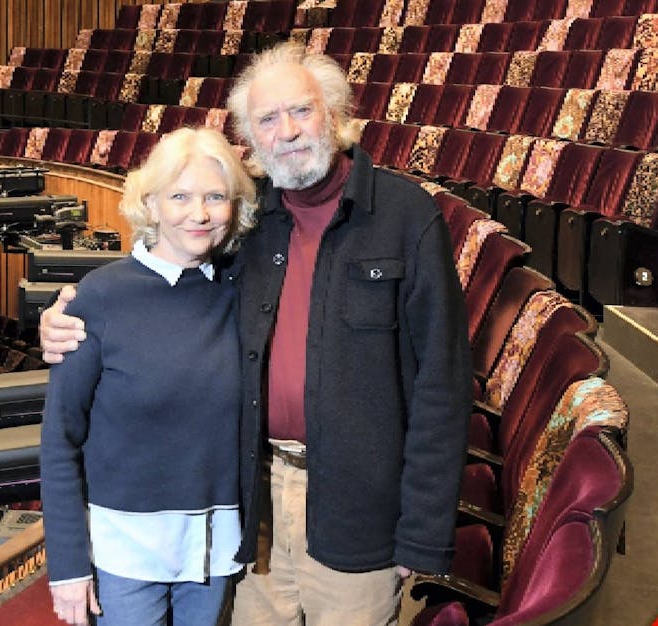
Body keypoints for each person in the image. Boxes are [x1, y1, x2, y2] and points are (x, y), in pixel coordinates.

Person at [41, 42, 470, 625]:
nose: (287, 131)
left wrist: (422, 534)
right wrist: (67, 315)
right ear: (252, 138)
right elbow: (168, 280)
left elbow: (442, 385)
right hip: (256, 504)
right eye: (268, 119)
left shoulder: (407, 217)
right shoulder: (252, 227)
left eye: (302, 110)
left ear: (336, 114)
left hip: (359, 508)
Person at [41, 127, 260, 626]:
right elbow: (59, 441)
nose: (198, 214)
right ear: (151, 204)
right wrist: (69, 567)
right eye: (180, 196)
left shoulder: (240, 293)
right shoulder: (97, 298)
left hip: (213, 542)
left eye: (215, 197)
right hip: (122, 547)